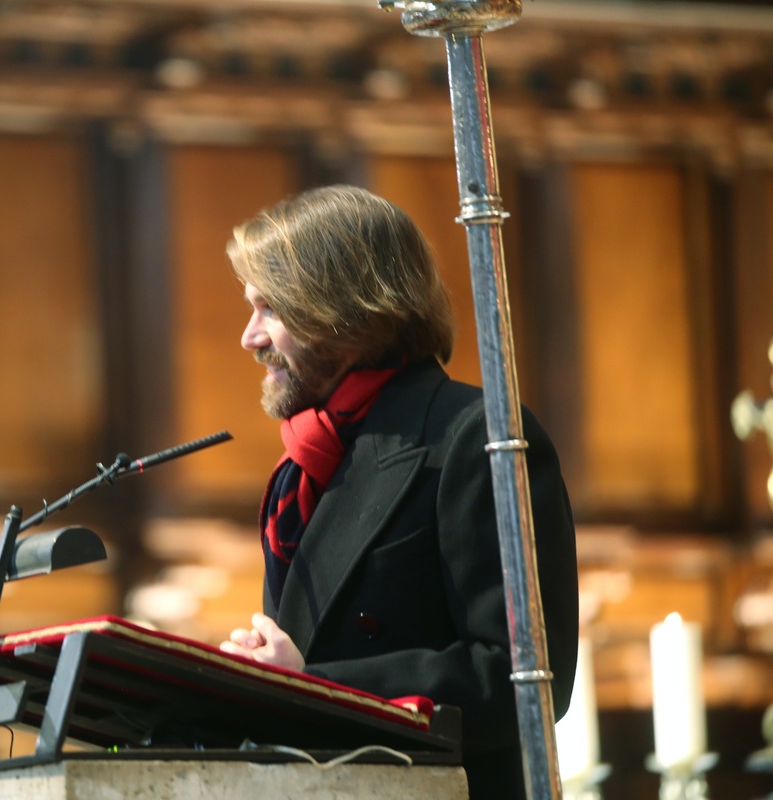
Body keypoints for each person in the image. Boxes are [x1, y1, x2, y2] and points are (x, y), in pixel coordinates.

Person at [216, 185, 578, 800]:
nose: (249, 338)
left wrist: (315, 688)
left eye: (269, 309)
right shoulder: (299, 474)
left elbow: (525, 680)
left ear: (344, 311)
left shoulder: (478, 437)